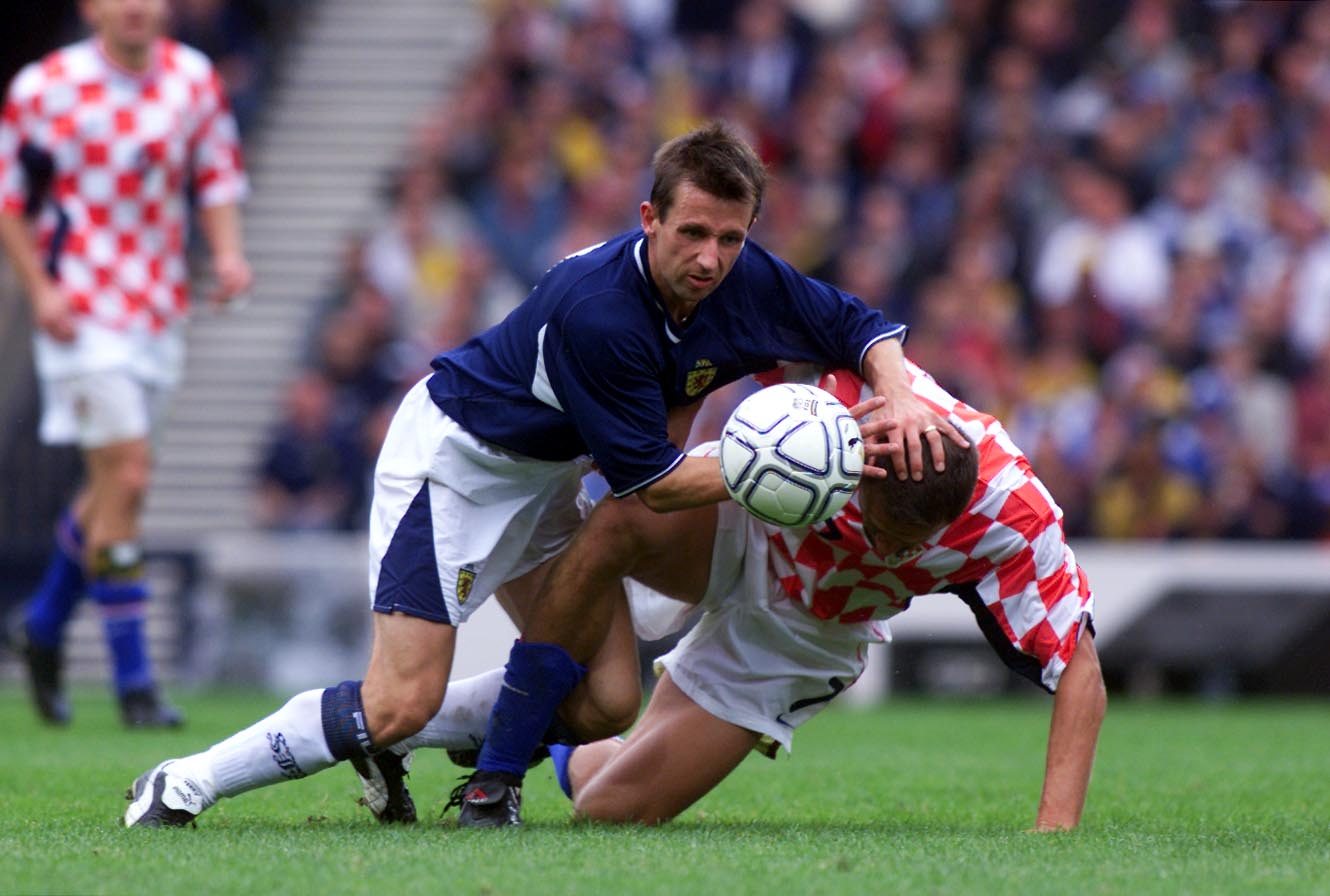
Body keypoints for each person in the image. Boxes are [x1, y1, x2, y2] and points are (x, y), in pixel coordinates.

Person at [121, 121, 963, 827]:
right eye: (693, 233)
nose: (711, 258)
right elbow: (652, 489)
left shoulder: (744, 279)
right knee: (399, 700)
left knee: (605, 705)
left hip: (545, 482)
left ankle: (397, 744)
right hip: (455, 467)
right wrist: (786, 471)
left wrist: (899, 400)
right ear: (648, 219)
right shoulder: (599, 313)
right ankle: (187, 781)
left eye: (731, 238)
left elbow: (857, 323)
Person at [550, 362, 1104, 830]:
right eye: (880, 528)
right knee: (631, 516)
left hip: (806, 629)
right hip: (746, 520)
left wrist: (1052, 834)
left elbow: (1080, 669)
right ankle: (527, 693)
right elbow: (725, 331)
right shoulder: (842, 388)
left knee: (607, 810)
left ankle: (553, 738)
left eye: (907, 545)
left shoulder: (1013, 515)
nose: (886, 551)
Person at [0, 0, 250, 728]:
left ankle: (41, 625)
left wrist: (229, 255)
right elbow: (10, 201)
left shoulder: (192, 80)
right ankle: (135, 683)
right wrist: (40, 291)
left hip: (159, 312)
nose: (137, 5)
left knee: (112, 487)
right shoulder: (45, 86)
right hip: (78, 314)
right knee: (130, 477)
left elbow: (218, 176)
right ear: (92, 8)